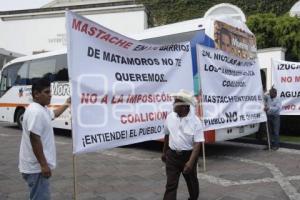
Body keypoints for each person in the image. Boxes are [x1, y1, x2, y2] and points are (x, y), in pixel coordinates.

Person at [19, 78, 71, 200]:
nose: (50, 95)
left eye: (50, 92)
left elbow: (54, 114)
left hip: (36, 168)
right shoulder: (36, 112)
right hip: (36, 169)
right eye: (47, 92)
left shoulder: (41, 108)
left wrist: (67, 103)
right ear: (36, 94)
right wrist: (43, 165)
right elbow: (34, 138)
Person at [161, 89, 204, 200]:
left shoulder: (196, 121)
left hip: (188, 156)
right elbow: (167, 135)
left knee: (192, 184)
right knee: (170, 185)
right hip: (172, 156)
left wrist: (190, 162)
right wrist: (164, 152)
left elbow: (197, 144)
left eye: (176, 103)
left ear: (184, 106)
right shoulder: (170, 117)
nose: (173, 104)